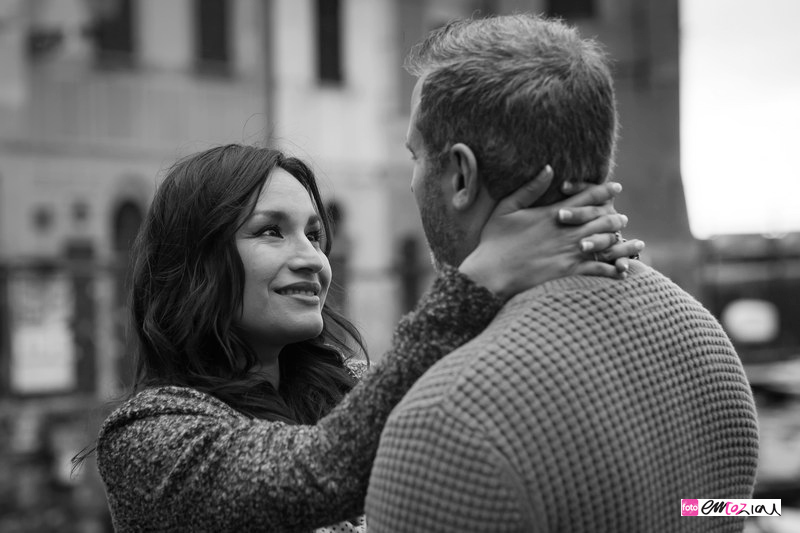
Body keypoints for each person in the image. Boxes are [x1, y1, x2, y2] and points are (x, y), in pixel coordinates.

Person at [89, 143, 640, 532]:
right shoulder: (148, 440)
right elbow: (319, 472)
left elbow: (512, 440)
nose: (312, 259)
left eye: (314, 234)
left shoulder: (353, 388)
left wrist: (569, 285)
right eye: (270, 232)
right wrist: (484, 276)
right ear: (194, 265)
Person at [365, 14, 759, 533]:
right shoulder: (710, 342)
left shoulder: (447, 422)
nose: (413, 180)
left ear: (461, 175)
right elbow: (739, 511)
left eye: (416, 156)